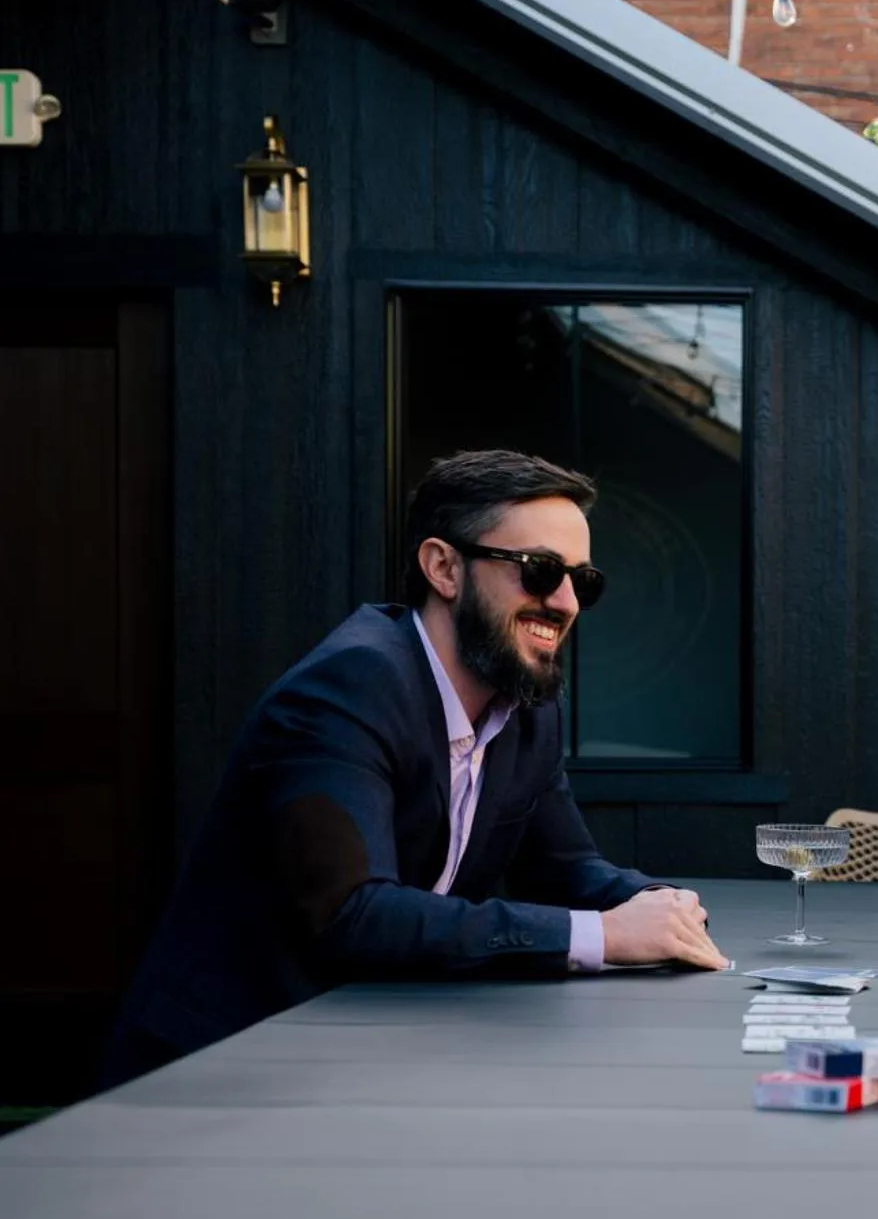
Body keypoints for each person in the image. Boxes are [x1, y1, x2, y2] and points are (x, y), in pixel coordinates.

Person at [105, 451, 725, 1085]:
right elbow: (354, 913)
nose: (565, 602)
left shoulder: (525, 706)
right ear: (444, 567)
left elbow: (565, 870)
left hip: (367, 1051)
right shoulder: (351, 686)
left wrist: (656, 904)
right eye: (539, 571)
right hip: (226, 1067)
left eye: (582, 581)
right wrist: (605, 936)